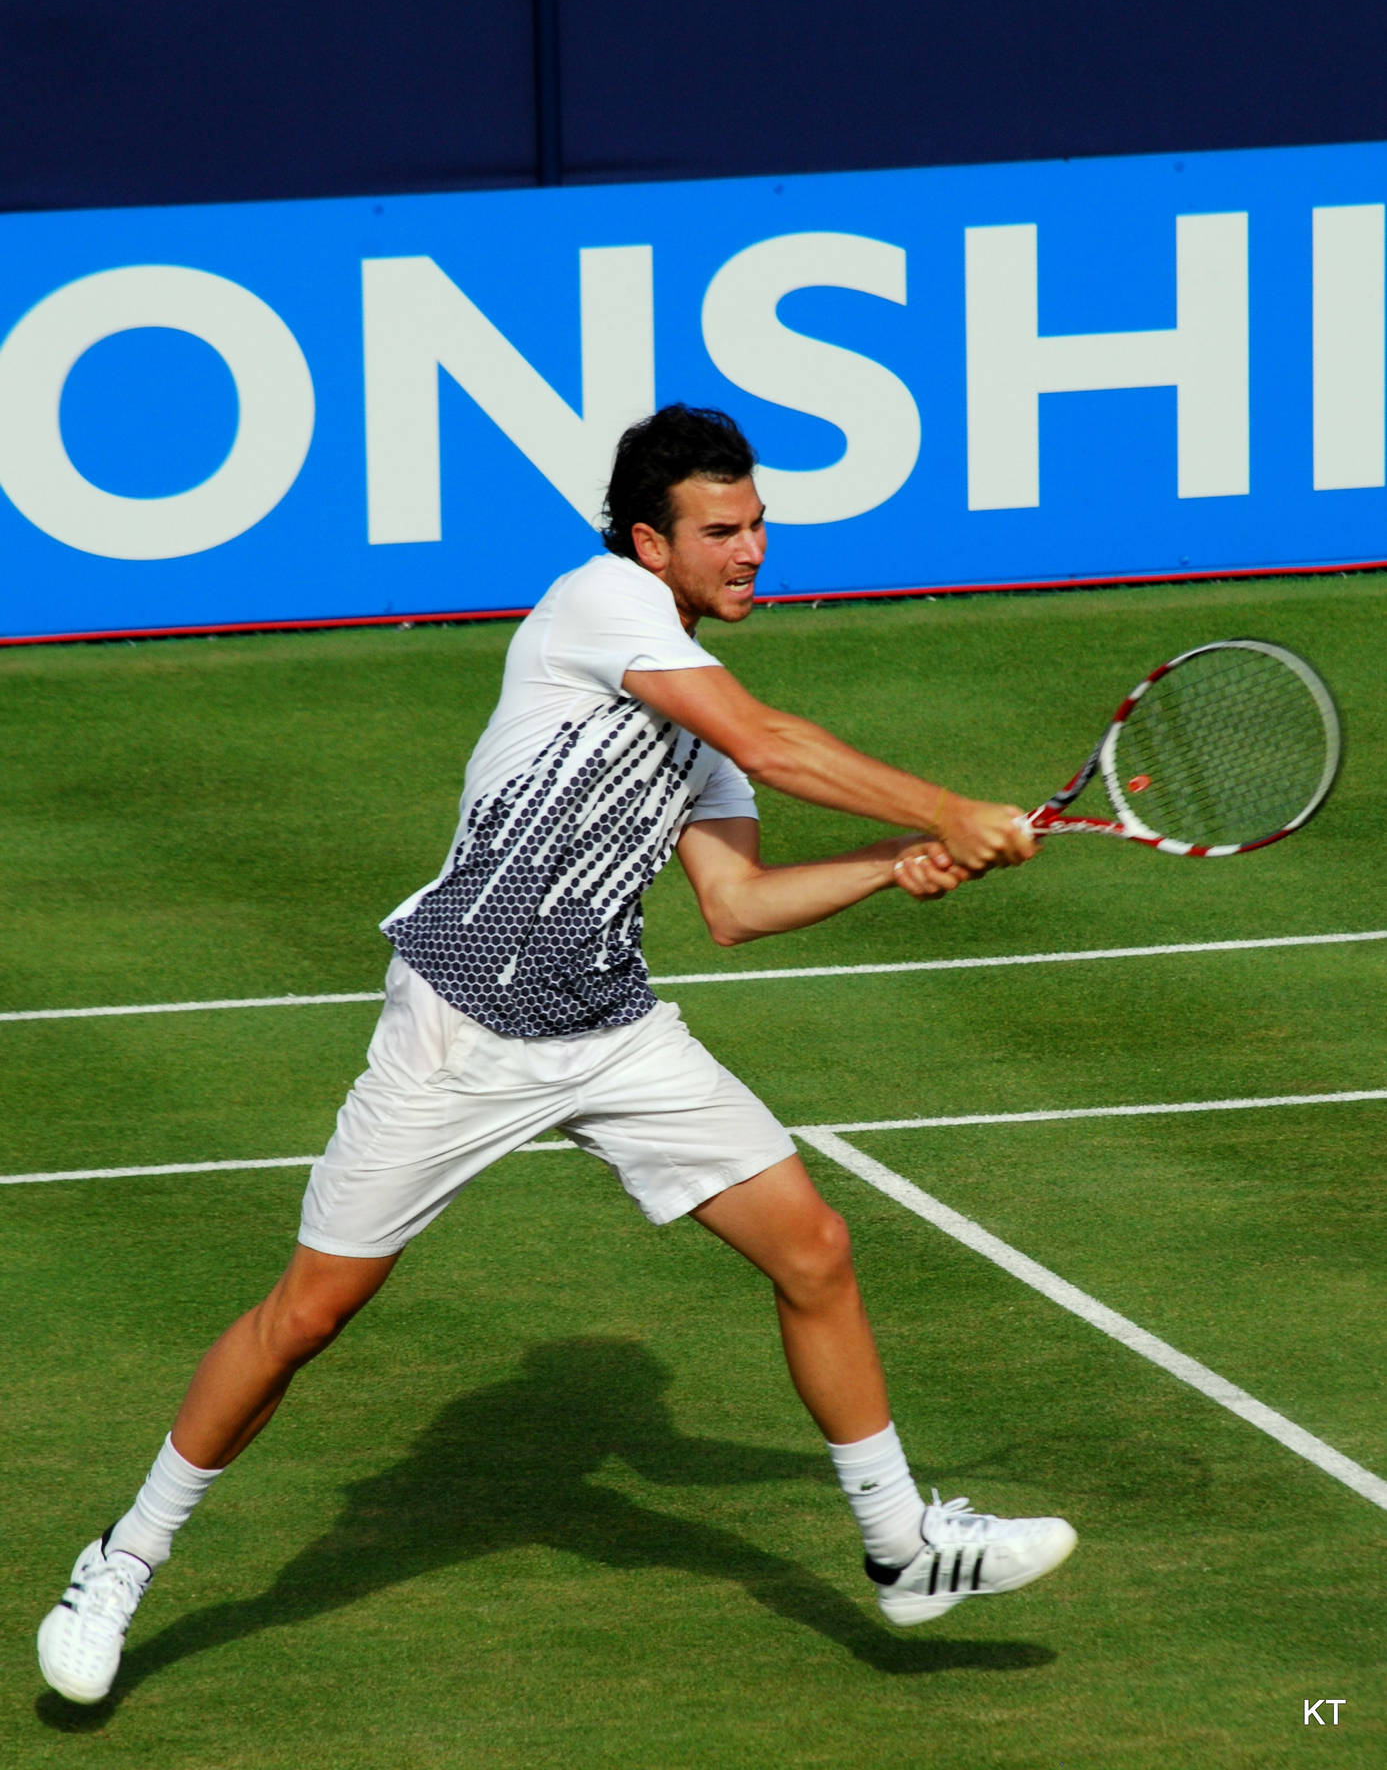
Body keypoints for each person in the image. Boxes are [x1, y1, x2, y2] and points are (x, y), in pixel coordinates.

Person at [37, 404, 1074, 1706]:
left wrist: (897, 866)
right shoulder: (601, 605)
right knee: (309, 1313)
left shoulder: (690, 702)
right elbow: (772, 739)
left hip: (609, 1029)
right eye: (723, 531)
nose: (753, 548)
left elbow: (737, 906)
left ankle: (902, 1546)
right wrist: (945, 805)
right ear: (651, 540)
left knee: (811, 1244)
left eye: (758, 523)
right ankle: (123, 1558)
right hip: (460, 1022)